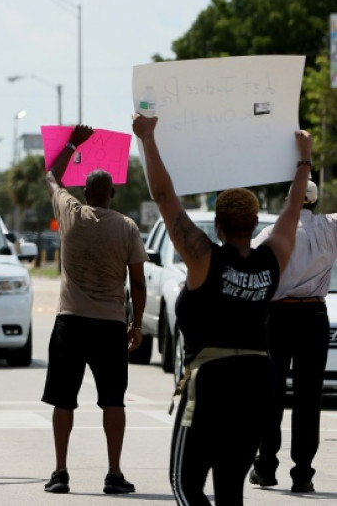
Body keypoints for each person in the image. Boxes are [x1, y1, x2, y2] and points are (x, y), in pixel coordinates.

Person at [132, 113, 310, 506]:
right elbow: (293, 211)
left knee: (186, 484)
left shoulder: (203, 258)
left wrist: (147, 138)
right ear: (252, 223)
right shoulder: (273, 259)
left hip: (212, 380)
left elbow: (165, 198)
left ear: (218, 226)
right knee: (230, 491)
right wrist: (304, 160)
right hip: (259, 381)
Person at [41, 125, 148, 495]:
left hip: (70, 323)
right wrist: (135, 325)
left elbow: (51, 175)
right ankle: (114, 473)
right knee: (113, 401)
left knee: (62, 399)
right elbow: (137, 282)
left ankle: (59, 472)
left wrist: (72, 143)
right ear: (112, 194)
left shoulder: (70, 212)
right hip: (109, 326)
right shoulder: (128, 228)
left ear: (86, 194)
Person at [249, 179, 337, 494]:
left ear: (292, 199)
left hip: (278, 317)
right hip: (314, 317)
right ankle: (302, 474)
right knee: (308, 398)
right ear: (316, 201)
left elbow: (251, 265)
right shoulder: (330, 227)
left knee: (270, 395)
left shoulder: (272, 233)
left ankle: (265, 467)